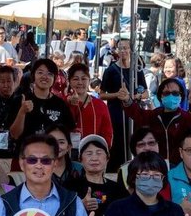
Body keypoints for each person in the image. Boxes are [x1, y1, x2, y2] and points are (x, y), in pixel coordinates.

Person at [100, 37, 147, 171]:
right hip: (116, 113)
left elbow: (146, 93)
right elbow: (102, 94)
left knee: (134, 140)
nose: (123, 51)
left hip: (133, 112)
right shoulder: (111, 70)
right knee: (117, 143)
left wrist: (135, 96)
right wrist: (117, 95)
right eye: (120, 48)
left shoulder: (137, 71)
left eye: (125, 48)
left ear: (131, 50)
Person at [122, 78, 191, 166]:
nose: (171, 96)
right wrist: (127, 100)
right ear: (161, 96)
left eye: (175, 93)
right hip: (156, 167)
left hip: (181, 168)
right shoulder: (154, 115)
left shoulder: (187, 118)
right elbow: (137, 113)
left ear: (181, 96)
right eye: (166, 93)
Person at [10, 58, 75, 141]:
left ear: (54, 78)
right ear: (33, 76)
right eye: (40, 72)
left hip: (51, 152)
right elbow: (14, 135)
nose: (44, 77)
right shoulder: (20, 100)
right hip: (26, 152)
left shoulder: (60, 104)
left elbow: (68, 133)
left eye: (49, 74)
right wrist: (22, 112)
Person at [66, 63, 113, 147]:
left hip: (92, 154)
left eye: (84, 79)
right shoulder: (62, 102)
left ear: (89, 81)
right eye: (75, 79)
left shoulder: (99, 105)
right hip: (67, 154)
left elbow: (107, 133)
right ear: (69, 81)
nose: (80, 82)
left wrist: (103, 151)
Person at [0, 65, 20, 159]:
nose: (6, 85)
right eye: (2, 82)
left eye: (9, 81)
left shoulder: (20, 101)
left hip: (16, 150)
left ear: (14, 82)